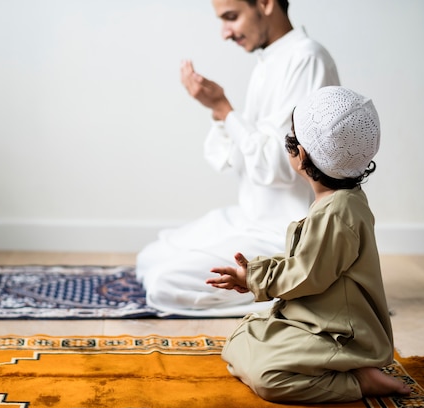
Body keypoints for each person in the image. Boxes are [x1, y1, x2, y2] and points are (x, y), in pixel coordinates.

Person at [207, 86, 412, 403]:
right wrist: (257, 271)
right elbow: (309, 261)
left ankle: (358, 380)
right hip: (316, 321)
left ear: (300, 155)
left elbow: (306, 273)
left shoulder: (336, 213)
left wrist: (255, 280)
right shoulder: (340, 201)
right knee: (240, 340)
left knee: (267, 377)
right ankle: (332, 365)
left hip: (342, 335)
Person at [136, 0, 340, 316]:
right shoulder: (268, 62)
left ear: (265, 4)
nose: (225, 33)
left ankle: (298, 286)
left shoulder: (306, 59)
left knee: (164, 283)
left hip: (285, 232)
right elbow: (237, 159)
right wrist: (220, 115)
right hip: (250, 217)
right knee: (149, 258)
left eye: (231, 17)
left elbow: (281, 167)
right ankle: (274, 284)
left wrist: (224, 110)